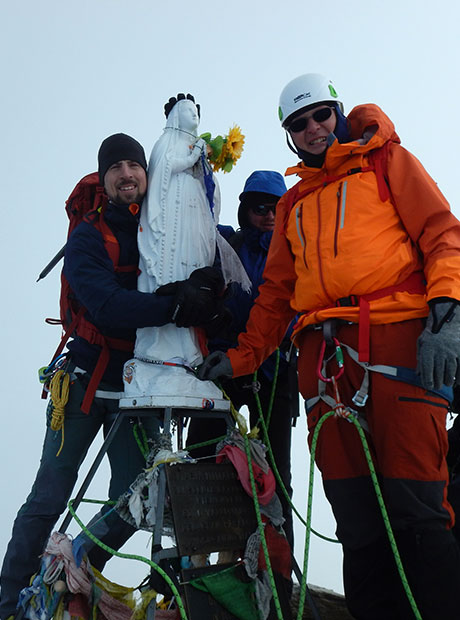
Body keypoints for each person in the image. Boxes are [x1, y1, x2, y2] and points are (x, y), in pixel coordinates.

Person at [197, 73, 460, 619]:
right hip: (323, 362)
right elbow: (275, 297)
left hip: (397, 344)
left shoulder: (387, 162)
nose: (313, 128)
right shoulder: (292, 205)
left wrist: (449, 310)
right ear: (289, 135)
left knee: (417, 508)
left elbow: (441, 232)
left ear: (338, 112)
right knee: (356, 516)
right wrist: (243, 356)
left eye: (320, 115)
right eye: (299, 123)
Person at [0, 133, 226, 620]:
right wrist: (176, 306)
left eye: (135, 165)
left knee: (134, 493)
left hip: (134, 386)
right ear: (104, 179)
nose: (127, 174)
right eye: (116, 167)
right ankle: (10, 603)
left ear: (147, 174)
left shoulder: (158, 231)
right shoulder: (88, 234)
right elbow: (104, 305)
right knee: (50, 492)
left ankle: (71, 568)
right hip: (83, 381)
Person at [186, 170, 298, 550]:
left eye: (276, 208)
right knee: (201, 463)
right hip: (224, 369)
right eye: (258, 208)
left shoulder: (298, 251)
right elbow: (196, 207)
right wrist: (190, 155)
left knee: (277, 474)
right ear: (245, 210)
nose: (268, 215)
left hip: (275, 368)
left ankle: (278, 577)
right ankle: (195, 570)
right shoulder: (224, 244)